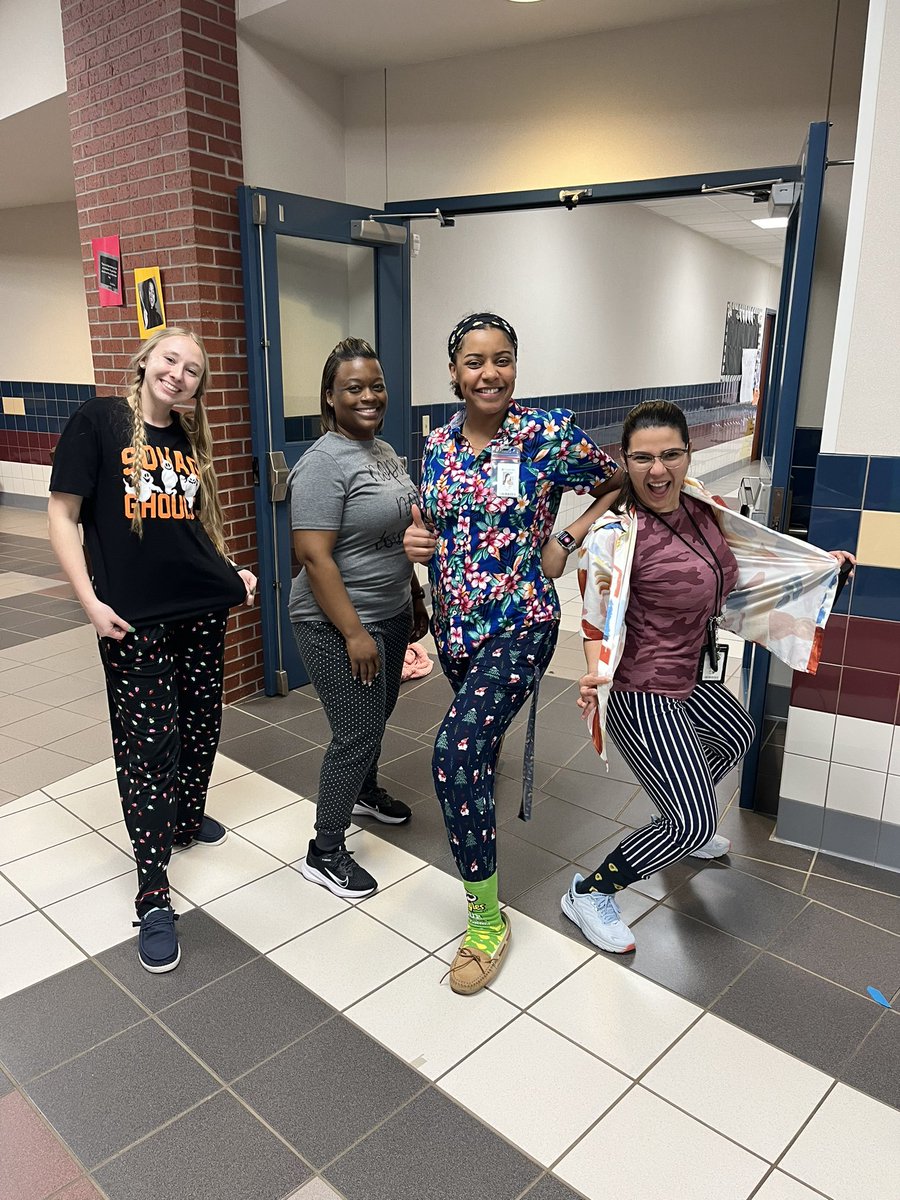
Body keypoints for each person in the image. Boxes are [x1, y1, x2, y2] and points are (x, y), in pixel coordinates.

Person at [558, 400, 854, 953]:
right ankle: (591, 892)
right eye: (642, 458)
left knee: (738, 735)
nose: (657, 470)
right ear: (625, 460)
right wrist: (592, 678)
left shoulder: (703, 506)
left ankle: (676, 817)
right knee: (694, 822)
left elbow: (743, 569)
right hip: (641, 692)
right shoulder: (615, 540)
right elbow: (596, 622)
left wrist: (817, 566)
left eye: (670, 454)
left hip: (691, 678)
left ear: (689, 454)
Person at [404, 312, 622, 995]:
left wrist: (571, 533)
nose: (489, 373)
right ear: (454, 373)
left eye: (501, 359)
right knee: (476, 746)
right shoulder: (436, 446)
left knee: (455, 753)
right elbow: (429, 524)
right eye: (474, 362)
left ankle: (486, 922)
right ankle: (478, 796)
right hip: (456, 630)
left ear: (515, 367)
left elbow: (615, 479)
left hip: (521, 620)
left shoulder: (543, 434)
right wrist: (417, 545)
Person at [47, 327, 257, 974]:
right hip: (131, 621)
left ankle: (186, 819)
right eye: (171, 359)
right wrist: (90, 603)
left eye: (193, 369)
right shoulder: (101, 421)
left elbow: (192, 528)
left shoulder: (188, 440)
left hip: (199, 611)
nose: (180, 374)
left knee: (201, 725)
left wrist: (229, 572)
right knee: (148, 744)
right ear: (144, 362)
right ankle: (152, 887)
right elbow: (61, 513)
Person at [289, 338, 428, 900]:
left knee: (379, 712)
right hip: (335, 622)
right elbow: (313, 556)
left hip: (390, 610)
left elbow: (396, 535)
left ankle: (364, 792)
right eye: (354, 387)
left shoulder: (385, 452)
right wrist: (353, 632)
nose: (369, 396)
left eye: (376, 385)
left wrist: (413, 598)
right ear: (330, 396)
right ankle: (323, 850)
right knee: (355, 730)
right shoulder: (322, 463)